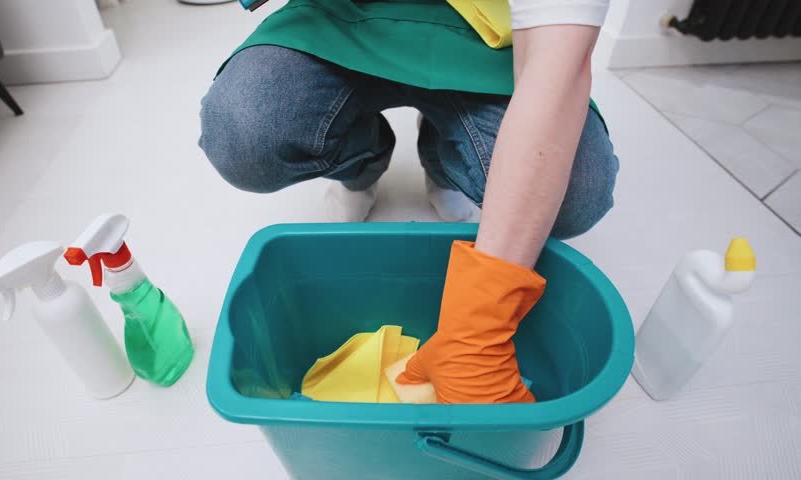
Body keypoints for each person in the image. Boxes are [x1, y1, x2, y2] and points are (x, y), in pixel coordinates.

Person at [199, 0, 618, 404]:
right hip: (343, 17)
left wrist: (475, 336)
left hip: (487, 37)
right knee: (245, 133)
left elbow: (557, 61)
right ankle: (362, 165)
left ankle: (444, 157)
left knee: (574, 195)